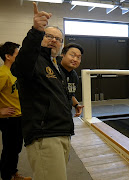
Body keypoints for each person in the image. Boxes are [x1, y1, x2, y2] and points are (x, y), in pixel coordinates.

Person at [11, 3, 73, 180]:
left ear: (62, 44)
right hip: (45, 135)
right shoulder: (34, 60)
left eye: (58, 39)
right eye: (48, 36)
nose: (53, 40)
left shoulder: (55, 67)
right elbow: (21, 66)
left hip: (62, 132)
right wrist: (36, 31)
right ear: (41, 37)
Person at [0, 42, 32, 180]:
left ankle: (13, 173)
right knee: (9, 149)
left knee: (16, 148)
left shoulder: (14, 72)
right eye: (17, 54)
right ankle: (7, 176)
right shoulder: (3, 74)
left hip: (19, 116)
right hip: (9, 119)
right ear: (8, 56)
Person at [58, 43, 84, 117]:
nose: (75, 59)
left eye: (78, 57)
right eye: (72, 55)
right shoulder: (53, 70)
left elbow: (69, 94)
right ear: (63, 54)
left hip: (65, 115)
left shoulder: (74, 76)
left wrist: (76, 105)